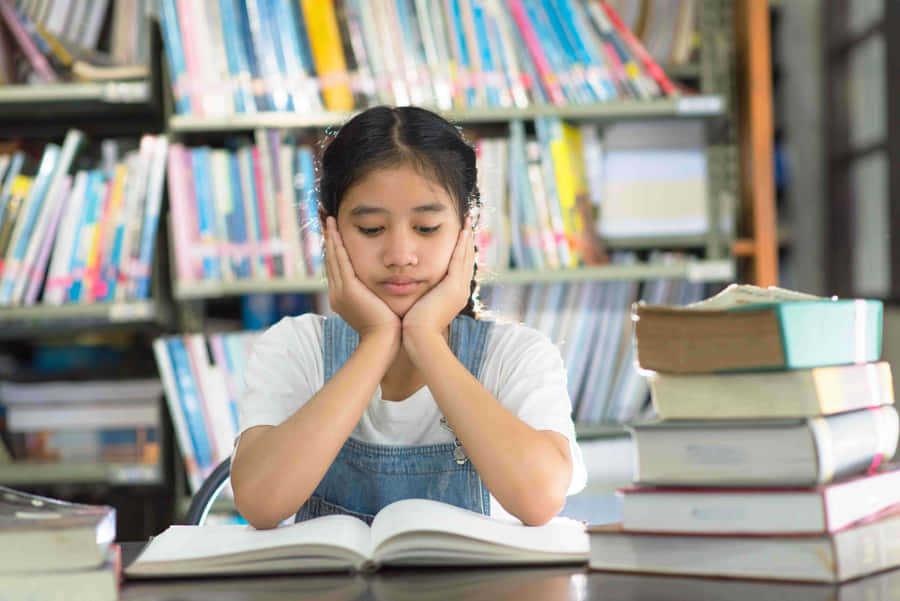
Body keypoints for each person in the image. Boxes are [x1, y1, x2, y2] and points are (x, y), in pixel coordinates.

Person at [231, 106, 586, 529]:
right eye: (371, 230)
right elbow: (259, 502)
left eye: (427, 228)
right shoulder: (295, 347)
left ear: (466, 231)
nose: (400, 256)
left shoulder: (516, 355)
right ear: (330, 233)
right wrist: (377, 340)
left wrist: (426, 340)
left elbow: (539, 499)